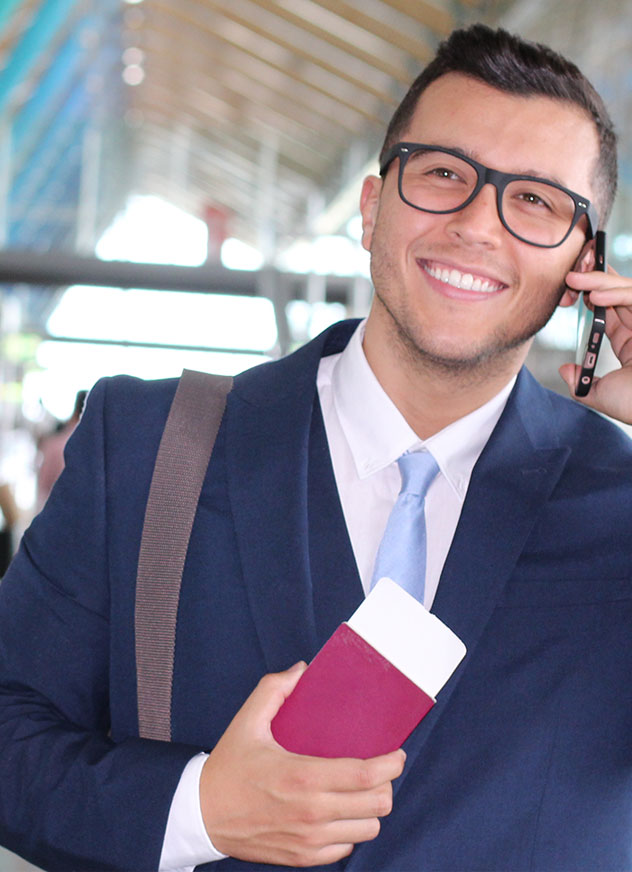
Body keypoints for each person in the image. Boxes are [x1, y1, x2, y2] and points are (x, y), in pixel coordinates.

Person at [1, 23, 632, 872]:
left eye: (535, 201)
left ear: (583, 269)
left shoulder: (618, 504)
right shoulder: (149, 449)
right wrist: (200, 809)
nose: (480, 224)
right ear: (372, 209)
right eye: (444, 174)